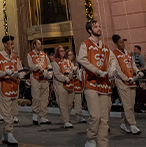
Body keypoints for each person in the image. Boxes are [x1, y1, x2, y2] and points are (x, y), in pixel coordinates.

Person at [78, 19, 112, 147]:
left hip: (104, 85)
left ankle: (103, 144)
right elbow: (81, 59)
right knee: (96, 116)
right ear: (89, 30)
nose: (99, 28)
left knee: (104, 119)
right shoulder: (85, 44)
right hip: (91, 83)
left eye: (99, 26)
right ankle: (91, 137)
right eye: (95, 27)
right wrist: (96, 70)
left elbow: (112, 61)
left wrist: (112, 70)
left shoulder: (105, 47)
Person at [0, 34, 23, 146]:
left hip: (14, 88)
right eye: (11, 44)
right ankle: (9, 133)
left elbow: (21, 70)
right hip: (4, 87)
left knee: (13, 112)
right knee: (7, 112)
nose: (13, 45)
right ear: (5, 45)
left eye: (13, 43)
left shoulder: (15, 58)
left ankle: (5, 133)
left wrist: (20, 74)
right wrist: (5, 73)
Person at [111, 34, 140, 135]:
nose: (123, 44)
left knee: (131, 104)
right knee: (127, 105)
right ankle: (132, 125)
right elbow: (117, 69)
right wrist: (125, 78)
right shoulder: (114, 54)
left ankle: (125, 123)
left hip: (132, 81)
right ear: (116, 44)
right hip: (122, 82)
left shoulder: (128, 54)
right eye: (120, 42)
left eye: (123, 42)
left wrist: (138, 71)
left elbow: (133, 65)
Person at [26, 38, 52, 125]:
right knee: (36, 96)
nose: (40, 45)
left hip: (44, 78)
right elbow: (31, 65)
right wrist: (38, 67)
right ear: (34, 45)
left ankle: (43, 116)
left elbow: (48, 65)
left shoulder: (44, 55)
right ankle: (35, 114)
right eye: (38, 44)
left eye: (40, 44)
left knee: (44, 97)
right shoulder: (30, 54)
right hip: (35, 77)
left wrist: (49, 72)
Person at [51, 45, 76, 128]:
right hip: (60, 84)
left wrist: (75, 71)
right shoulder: (55, 62)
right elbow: (57, 74)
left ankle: (66, 118)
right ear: (57, 52)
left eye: (63, 51)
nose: (63, 52)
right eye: (61, 51)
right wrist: (65, 78)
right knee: (63, 103)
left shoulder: (68, 61)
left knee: (70, 103)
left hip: (70, 83)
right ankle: (66, 121)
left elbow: (73, 68)